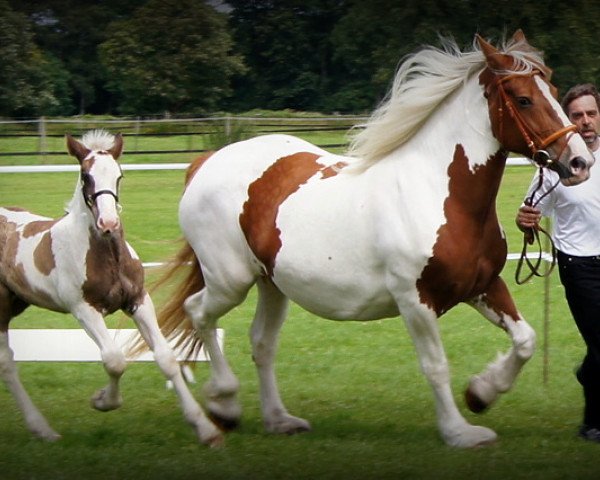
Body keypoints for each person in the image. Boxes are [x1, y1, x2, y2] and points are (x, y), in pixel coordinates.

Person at [516, 83, 600, 443]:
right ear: (568, 120)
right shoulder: (554, 166)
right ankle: (592, 423)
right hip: (579, 266)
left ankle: (587, 380)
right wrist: (526, 221)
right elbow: (530, 213)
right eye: (577, 115)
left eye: (591, 113)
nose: (585, 121)